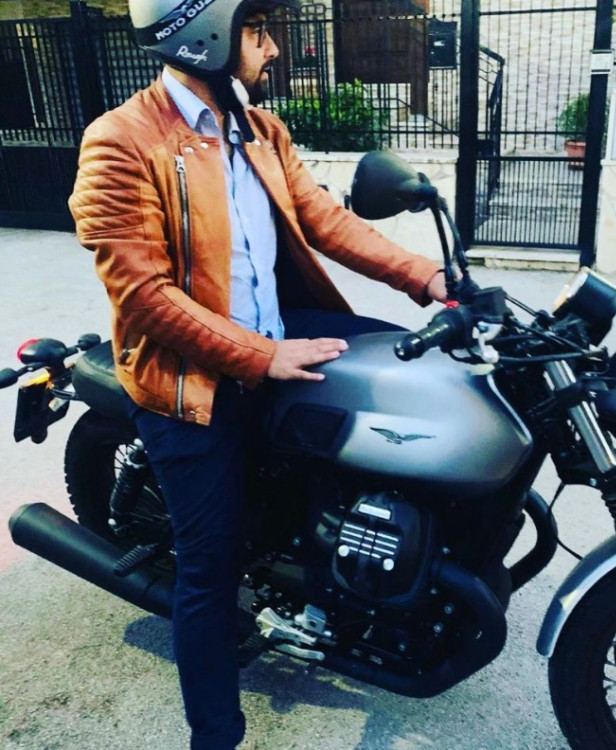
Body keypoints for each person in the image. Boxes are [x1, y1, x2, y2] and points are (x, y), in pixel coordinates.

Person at [68, 0, 446, 747]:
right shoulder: (122, 139)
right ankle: (215, 735)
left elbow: (325, 220)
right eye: (258, 29)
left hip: (276, 339)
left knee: (410, 373)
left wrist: (427, 276)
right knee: (210, 573)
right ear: (203, 32)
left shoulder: (259, 128)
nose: (273, 48)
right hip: (188, 381)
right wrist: (261, 355)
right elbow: (143, 294)